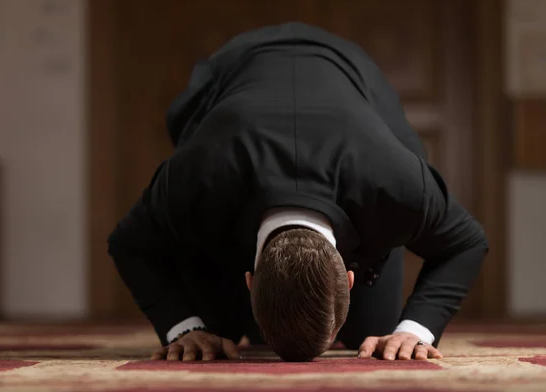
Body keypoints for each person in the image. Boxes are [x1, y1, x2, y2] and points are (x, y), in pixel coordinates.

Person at [107, 22, 488, 363]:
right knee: (214, 333)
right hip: (235, 80)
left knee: (376, 334)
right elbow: (129, 243)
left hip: (348, 77)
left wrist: (416, 329)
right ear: (249, 279)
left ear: (351, 278)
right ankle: (252, 319)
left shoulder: (396, 184)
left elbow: (467, 242)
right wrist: (184, 329)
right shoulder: (197, 177)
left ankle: (273, 320)